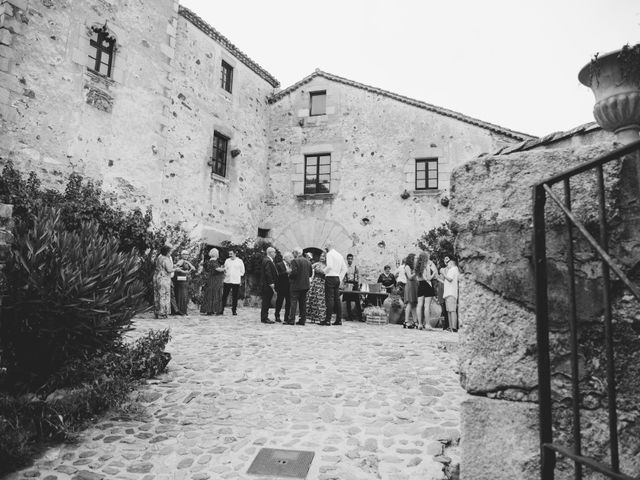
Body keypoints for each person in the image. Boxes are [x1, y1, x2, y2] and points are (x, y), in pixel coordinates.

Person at [322, 241, 348, 326]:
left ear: (328, 246)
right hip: (336, 277)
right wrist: (339, 278)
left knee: (329, 299)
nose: (325, 247)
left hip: (330, 277)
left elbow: (329, 266)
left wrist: (323, 271)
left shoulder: (329, 254)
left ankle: (327, 320)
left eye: (326, 246)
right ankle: (338, 320)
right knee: (337, 299)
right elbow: (345, 268)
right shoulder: (339, 255)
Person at [287, 247, 312, 325]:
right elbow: (310, 274)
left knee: (293, 302)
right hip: (305, 285)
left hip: (296, 285)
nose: (293, 254)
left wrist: (289, 274)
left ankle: (291, 320)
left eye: (293, 252)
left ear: (296, 253)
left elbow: (294, 273)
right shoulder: (308, 262)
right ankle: (302, 320)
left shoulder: (295, 261)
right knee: (303, 303)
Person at [199, 248, 225, 315]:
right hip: (215, 280)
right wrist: (225, 268)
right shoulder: (213, 261)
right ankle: (213, 310)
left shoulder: (210, 261)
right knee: (215, 294)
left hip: (211, 279)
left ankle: (210, 309)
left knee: (210, 294)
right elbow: (217, 269)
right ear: (216, 254)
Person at [415, 251, 437, 330]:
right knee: (427, 306)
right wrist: (434, 273)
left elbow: (417, 278)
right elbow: (428, 278)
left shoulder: (417, 267)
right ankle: (427, 324)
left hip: (420, 285)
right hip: (427, 285)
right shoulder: (426, 265)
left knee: (419, 305)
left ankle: (419, 324)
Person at [153, 245, 175, 319]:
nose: (170, 253)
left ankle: (157, 311)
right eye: (170, 252)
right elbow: (169, 269)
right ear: (167, 252)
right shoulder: (166, 259)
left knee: (157, 294)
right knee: (164, 295)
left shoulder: (159, 257)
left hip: (157, 277)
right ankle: (163, 312)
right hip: (164, 278)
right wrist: (176, 269)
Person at [221, 249, 245, 316]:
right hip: (227, 280)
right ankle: (221, 309)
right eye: (229, 254)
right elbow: (225, 269)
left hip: (236, 281)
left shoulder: (239, 261)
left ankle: (234, 310)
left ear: (235, 254)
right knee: (224, 295)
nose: (230, 255)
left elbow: (242, 271)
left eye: (231, 253)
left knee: (235, 296)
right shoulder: (227, 260)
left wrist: (237, 275)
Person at [306, 252, 327, 323]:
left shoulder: (327, 265)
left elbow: (326, 273)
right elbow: (309, 267)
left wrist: (321, 271)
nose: (322, 257)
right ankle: (311, 317)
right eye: (321, 256)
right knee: (312, 299)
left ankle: (321, 318)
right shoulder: (316, 264)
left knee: (320, 301)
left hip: (322, 284)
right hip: (314, 283)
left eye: (324, 256)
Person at [441, 256, 460, 332]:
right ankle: (450, 327)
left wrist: (443, 273)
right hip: (449, 292)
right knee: (449, 310)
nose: (447, 265)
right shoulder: (454, 270)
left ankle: (454, 327)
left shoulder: (453, 269)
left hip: (451, 293)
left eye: (448, 263)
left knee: (452, 310)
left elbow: (450, 279)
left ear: (451, 263)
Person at [173, 249, 195, 315]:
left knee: (184, 295)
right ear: (181, 255)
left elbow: (193, 268)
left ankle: (183, 310)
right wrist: (183, 271)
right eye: (184, 254)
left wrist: (188, 263)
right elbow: (176, 266)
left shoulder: (186, 262)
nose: (186, 255)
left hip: (185, 279)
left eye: (187, 254)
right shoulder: (181, 261)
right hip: (181, 279)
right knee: (181, 294)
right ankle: (180, 310)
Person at [259, 247, 277, 324]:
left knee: (266, 301)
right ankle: (264, 317)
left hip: (266, 284)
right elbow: (268, 273)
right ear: (270, 253)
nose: (275, 254)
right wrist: (271, 283)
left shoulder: (267, 260)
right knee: (266, 301)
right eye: (274, 252)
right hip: (267, 285)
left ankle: (264, 317)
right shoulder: (268, 261)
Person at [343, 253, 362, 321]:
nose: (350, 260)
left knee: (357, 300)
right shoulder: (345, 267)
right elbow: (344, 276)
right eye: (349, 259)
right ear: (347, 259)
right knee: (348, 301)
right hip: (348, 284)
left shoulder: (355, 267)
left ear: (352, 260)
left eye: (351, 259)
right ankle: (349, 317)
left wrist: (357, 284)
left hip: (354, 284)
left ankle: (360, 317)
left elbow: (357, 276)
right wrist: (345, 283)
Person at [274, 251, 292, 323]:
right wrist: (286, 272)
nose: (291, 259)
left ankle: (286, 317)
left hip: (289, 286)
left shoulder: (291, 265)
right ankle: (277, 316)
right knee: (279, 302)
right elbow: (277, 275)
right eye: (290, 257)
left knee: (288, 302)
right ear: (285, 258)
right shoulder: (279, 264)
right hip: (281, 286)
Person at [403, 253, 418, 329]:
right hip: (410, 286)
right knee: (409, 303)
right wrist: (416, 272)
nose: (416, 260)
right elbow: (410, 277)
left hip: (414, 286)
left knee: (414, 304)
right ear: (411, 259)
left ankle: (415, 322)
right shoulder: (407, 267)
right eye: (415, 258)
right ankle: (406, 321)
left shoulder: (413, 267)